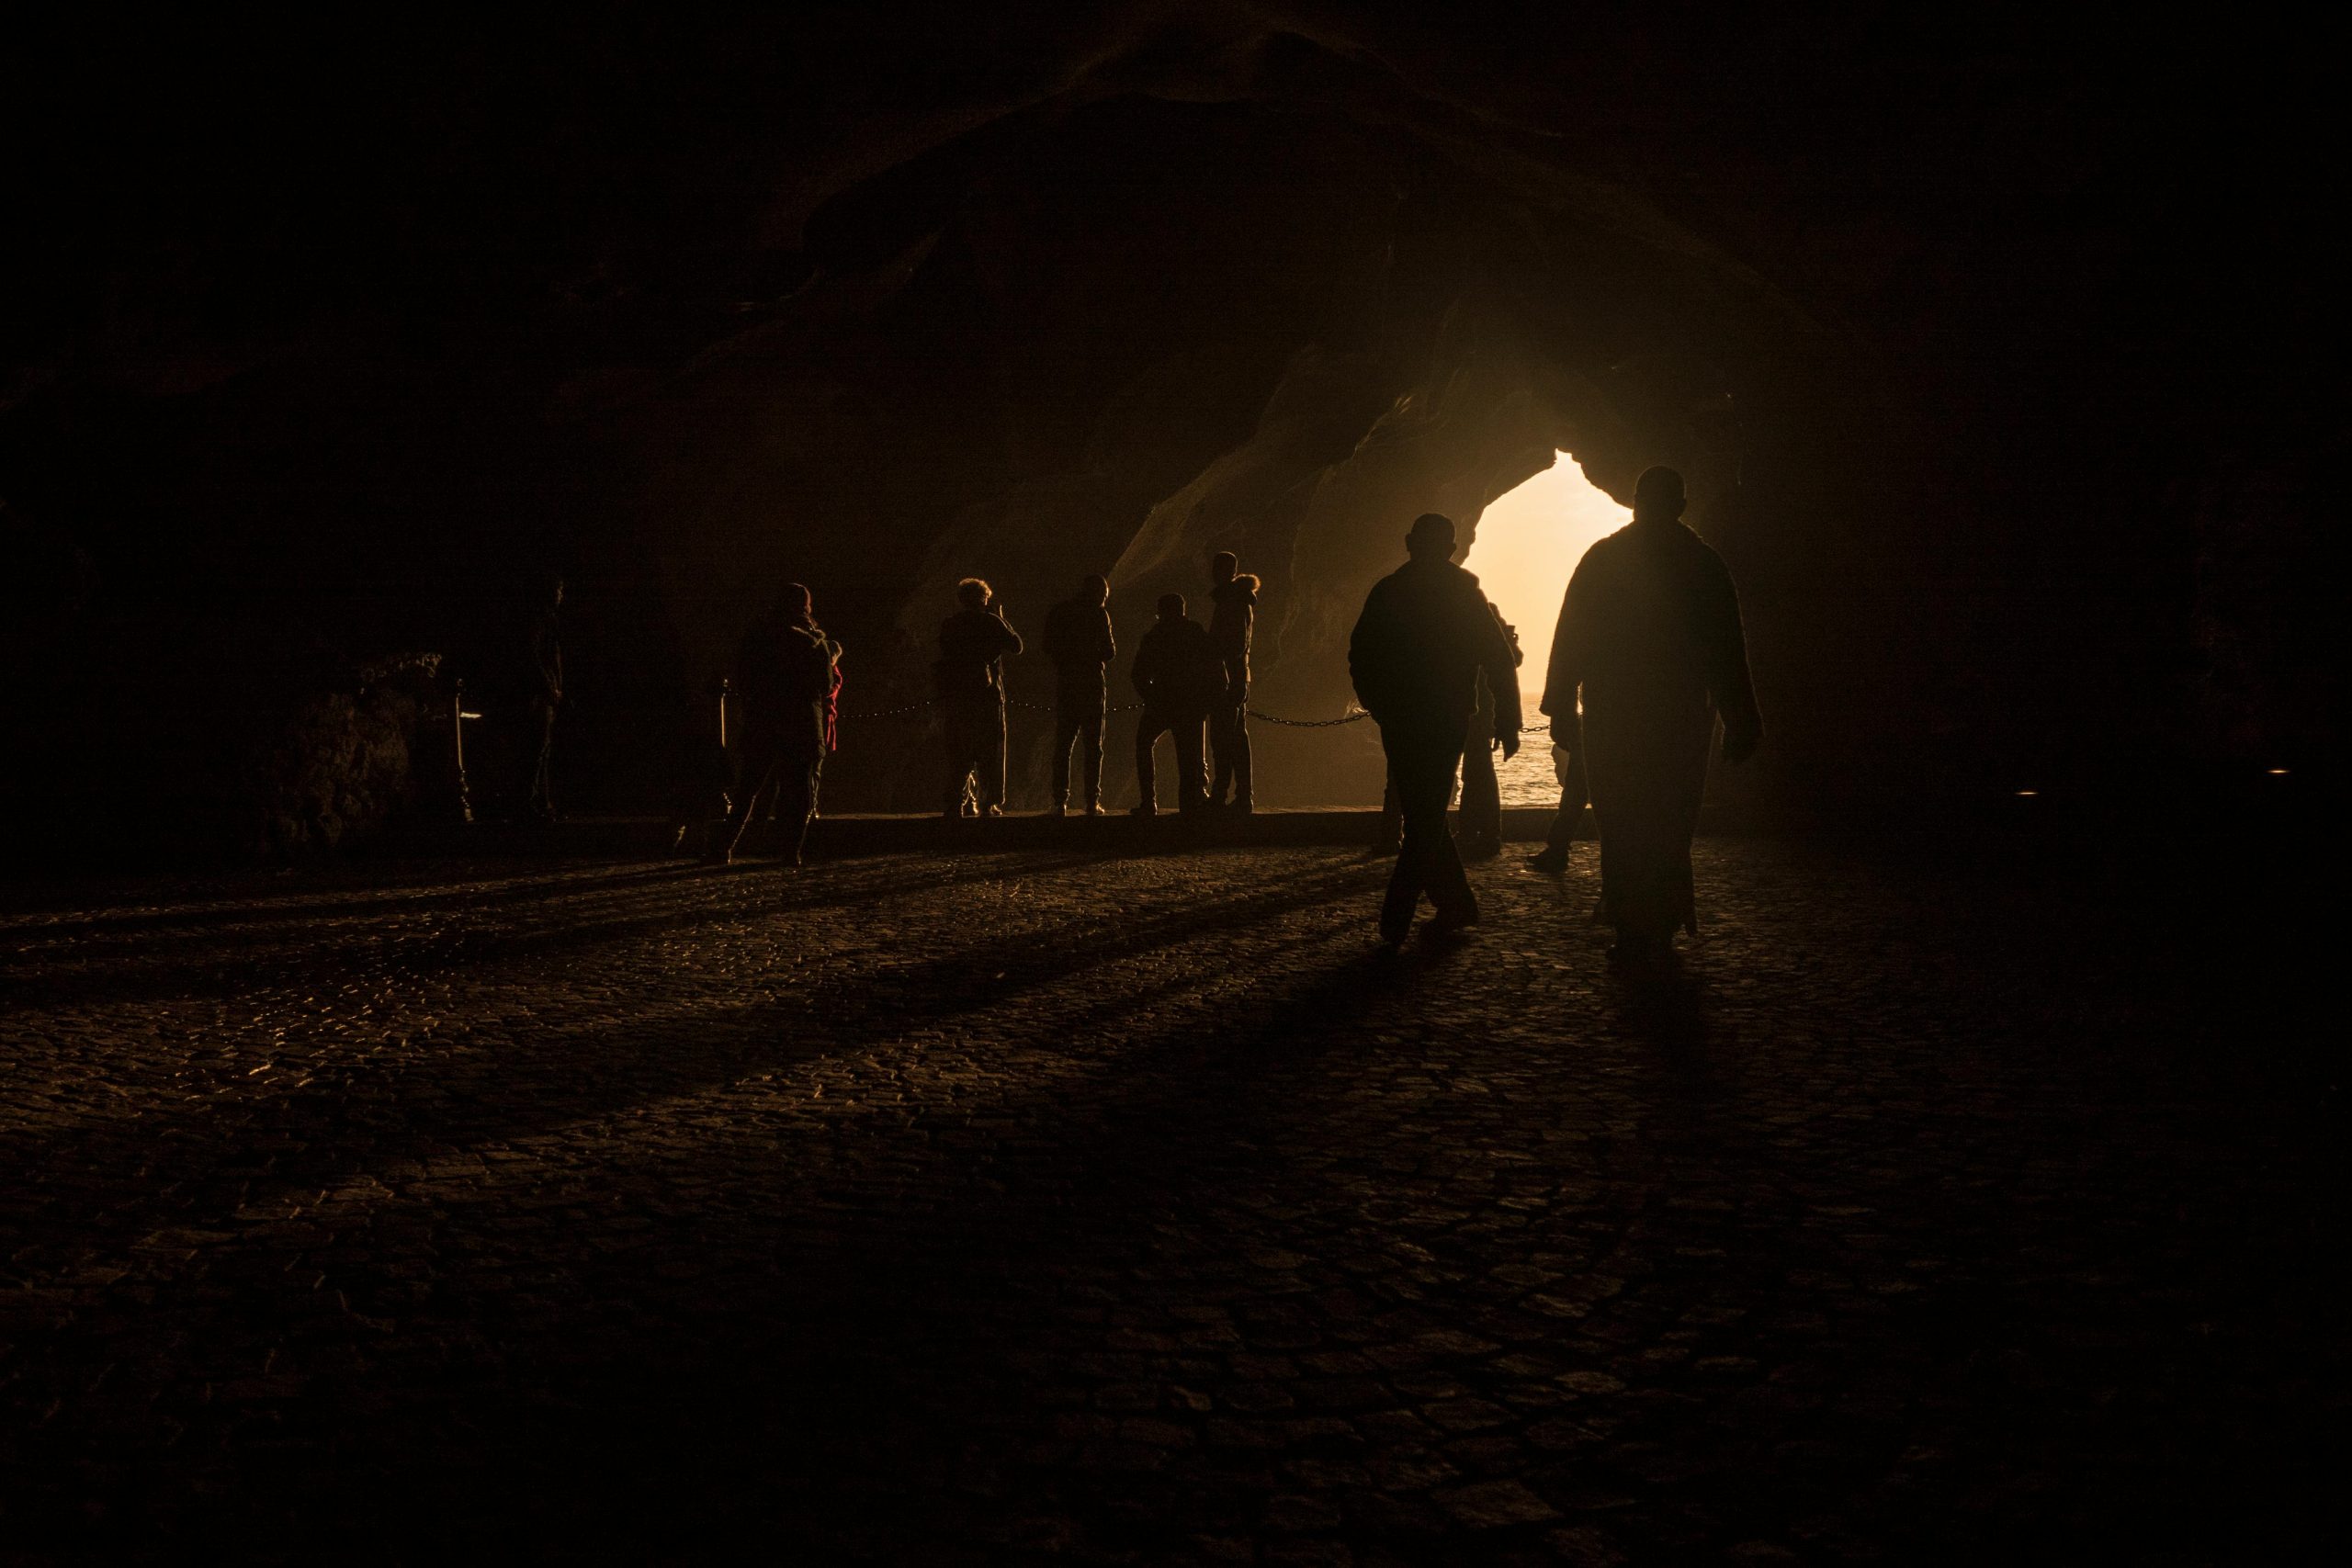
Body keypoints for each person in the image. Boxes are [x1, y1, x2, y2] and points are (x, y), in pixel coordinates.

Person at [1541, 466, 1762, 971]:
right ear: (1680, 505)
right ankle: (1660, 922)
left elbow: (1570, 633)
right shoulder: (1703, 564)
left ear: (1636, 502)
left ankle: (1630, 921)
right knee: (1670, 819)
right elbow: (1728, 651)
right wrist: (1741, 717)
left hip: (1614, 712)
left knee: (1620, 820)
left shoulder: (1603, 559)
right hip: (1680, 715)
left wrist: (1558, 704)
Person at [1349, 513, 1521, 944]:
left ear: (1409, 542)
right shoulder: (1464, 594)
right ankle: (1455, 906)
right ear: (1452, 548)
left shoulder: (1388, 591)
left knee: (1421, 813)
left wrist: (1377, 703)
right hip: (1447, 718)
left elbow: (1360, 654)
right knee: (1426, 814)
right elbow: (1499, 658)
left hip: (1404, 718)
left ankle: (1398, 916)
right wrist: (1509, 719)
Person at [713, 582, 842, 865]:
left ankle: (722, 847)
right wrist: (829, 655)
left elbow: (744, 678)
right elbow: (824, 683)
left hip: (763, 720)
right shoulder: (811, 640)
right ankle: (790, 852)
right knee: (798, 792)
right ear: (805, 607)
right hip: (799, 724)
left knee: (748, 788)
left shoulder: (758, 636)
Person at [936, 578, 1023, 817]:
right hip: (988, 694)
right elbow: (1017, 646)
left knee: (959, 750)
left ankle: (956, 801)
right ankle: (988, 802)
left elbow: (945, 651)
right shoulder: (992, 622)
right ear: (984, 598)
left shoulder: (951, 624)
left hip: (958, 695)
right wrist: (1002, 618)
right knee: (990, 751)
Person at [1128, 592, 1222, 816]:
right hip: (1189, 704)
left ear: (1160, 612)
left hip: (1161, 702)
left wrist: (1151, 696)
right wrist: (1206, 699)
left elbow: (1138, 673)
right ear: (1182, 610)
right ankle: (1189, 805)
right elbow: (1213, 666)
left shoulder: (1154, 635)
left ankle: (1149, 802)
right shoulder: (1195, 632)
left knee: (1144, 745)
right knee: (1188, 756)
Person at [1042, 574, 1116, 816]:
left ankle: (1059, 801)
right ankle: (1092, 802)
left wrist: (1065, 662)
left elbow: (1048, 645)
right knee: (1094, 745)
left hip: (1067, 683)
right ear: (1100, 593)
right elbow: (1110, 651)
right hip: (1092, 682)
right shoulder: (1099, 614)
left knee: (1064, 744)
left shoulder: (1060, 611)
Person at [1455, 601, 1522, 859]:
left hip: (1472, 713)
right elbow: (1509, 666)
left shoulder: (1463, 625)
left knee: (1475, 774)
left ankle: (1475, 833)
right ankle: (1484, 833)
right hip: (1483, 714)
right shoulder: (1490, 629)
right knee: (1479, 774)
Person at [1206, 551, 1259, 813]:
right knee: (1237, 737)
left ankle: (1220, 794)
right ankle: (1243, 796)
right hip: (1239, 677)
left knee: (1223, 738)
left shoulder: (1231, 601)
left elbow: (1234, 644)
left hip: (1228, 679)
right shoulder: (1239, 599)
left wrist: (1216, 660)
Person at [520, 574, 564, 822]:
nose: (561, 595)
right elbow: (535, 657)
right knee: (537, 750)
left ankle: (542, 802)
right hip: (540, 696)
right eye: (558, 590)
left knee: (543, 749)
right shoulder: (540, 620)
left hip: (547, 694)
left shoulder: (548, 619)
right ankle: (531, 802)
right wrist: (550, 687)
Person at [1525, 722, 1590, 874]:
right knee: (1574, 795)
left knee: (1573, 796)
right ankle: (1557, 849)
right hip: (1597, 734)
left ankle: (1557, 850)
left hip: (1588, 735)